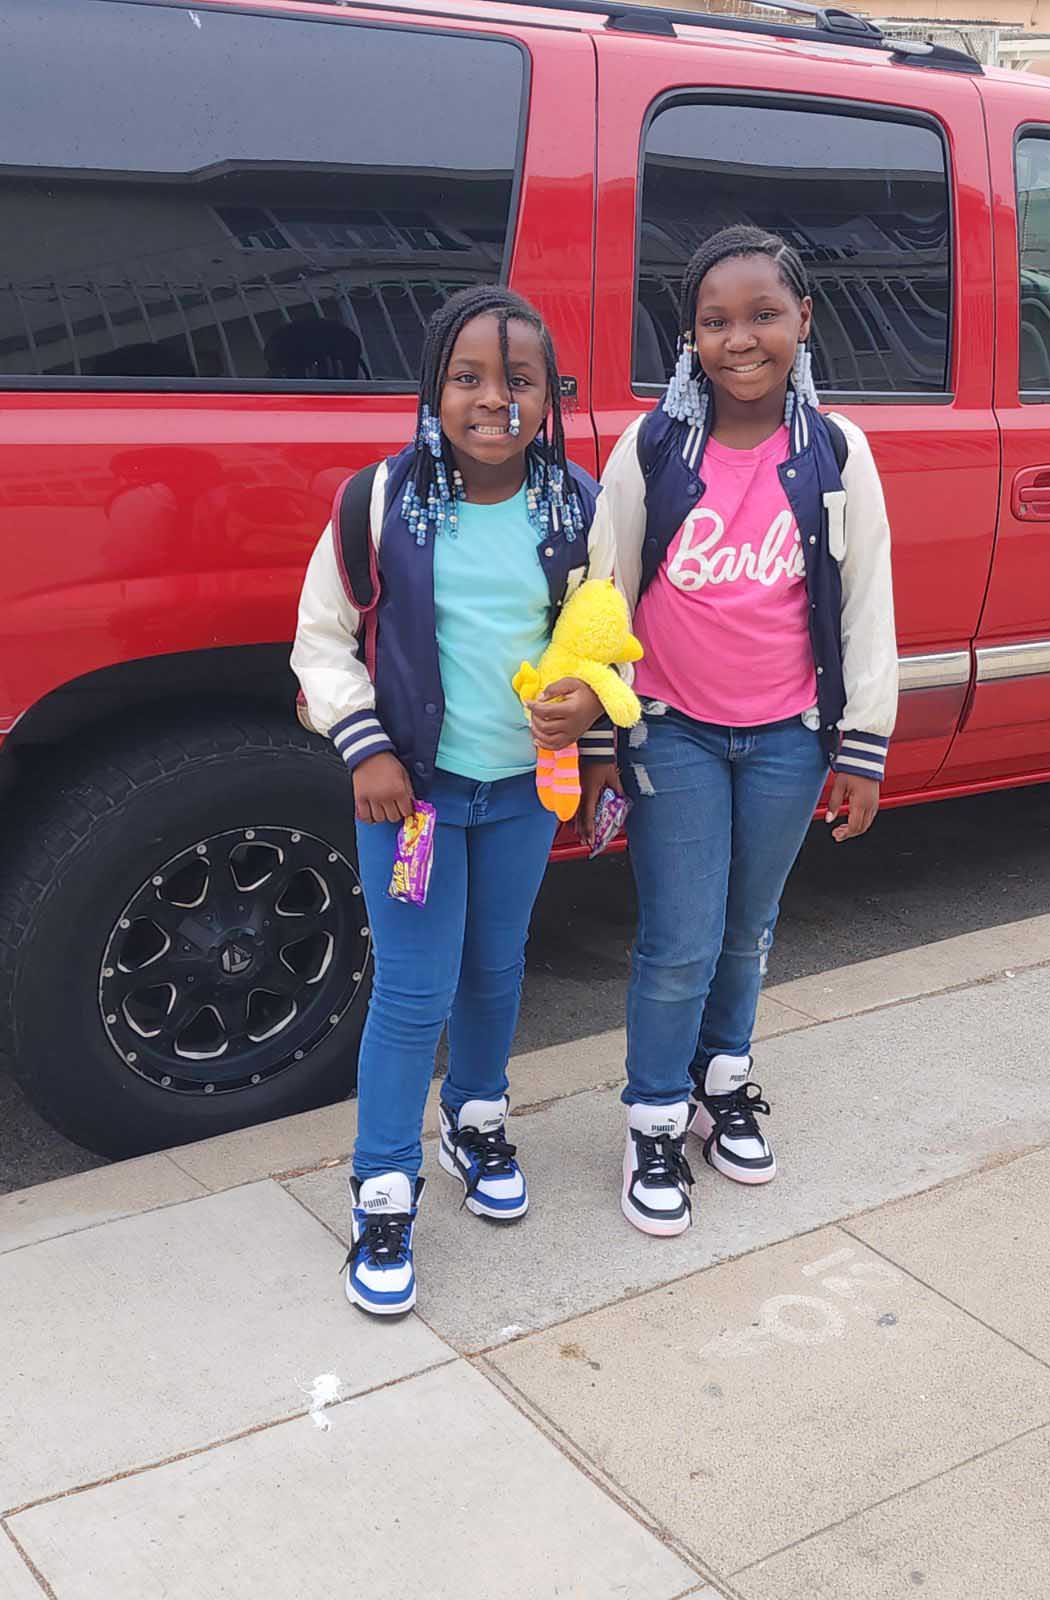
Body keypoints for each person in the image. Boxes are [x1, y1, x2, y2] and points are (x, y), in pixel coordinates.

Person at [292, 287, 608, 1314]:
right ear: (434, 387)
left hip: (520, 794)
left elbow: (604, 638)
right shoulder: (379, 502)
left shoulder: (577, 506)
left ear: (548, 394)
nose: (492, 401)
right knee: (413, 990)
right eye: (467, 378)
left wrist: (586, 708)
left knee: (496, 965)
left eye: (517, 381)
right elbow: (321, 640)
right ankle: (384, 1185)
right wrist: (365, 747)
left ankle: (476, 1114)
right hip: (412, 806)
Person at [581, 226, 898, 1238]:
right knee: (677, 939)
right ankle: (654, 1118)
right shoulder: (654, 447)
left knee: (746, 931)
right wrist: (597, 739)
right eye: (716, 321)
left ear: (805, 321)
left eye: (765, 314)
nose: (742, 338)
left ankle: (725, 1079)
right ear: (690, 338)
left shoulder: (839, 454)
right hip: (670, 730)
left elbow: (866, 609)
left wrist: (862, 744)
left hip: (787, 737)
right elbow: (604, 592)